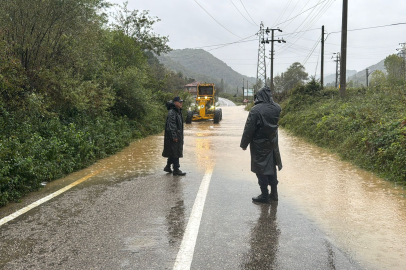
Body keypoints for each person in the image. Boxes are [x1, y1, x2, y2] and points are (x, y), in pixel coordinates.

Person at [240, 86, 282, 203]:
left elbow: (249, 129)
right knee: (271, 168)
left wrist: (244, 144)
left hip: (259, 145)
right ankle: (274, 193)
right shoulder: (277, 108)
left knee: (261, 170)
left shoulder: (255, 110)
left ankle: (264, 195)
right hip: (272, 144)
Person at [162, 96, 186, 176]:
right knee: (175, 152)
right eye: (179, 102)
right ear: (175, 102)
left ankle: (168, 167)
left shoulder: (178, 111)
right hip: (173, 136)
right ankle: (176, 169)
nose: (181, 103)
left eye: (181, 102)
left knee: (174, 151)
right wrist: (174, 136)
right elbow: (172, 125)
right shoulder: (172, 112)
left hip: (177, 135)